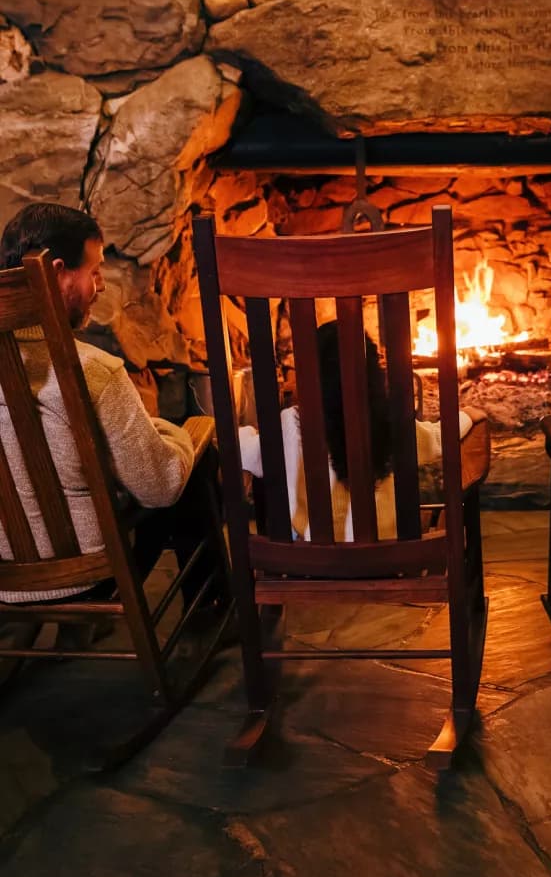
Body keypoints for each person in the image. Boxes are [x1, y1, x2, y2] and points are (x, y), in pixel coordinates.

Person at [0, 202, 227, 610]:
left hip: (4, 577)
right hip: (86, 576)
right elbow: (160, 487)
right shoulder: (92, 371)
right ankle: (212, 611)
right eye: (93, 271)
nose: (101, 286)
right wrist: (178, 431)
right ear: (55, 273)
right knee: (195, 460)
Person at [238, 319, 482, 541]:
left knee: (293, 522)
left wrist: (247, 432)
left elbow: (247, 453)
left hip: (313, 561)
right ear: (373, 373)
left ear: (308, 375)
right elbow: (439, 437)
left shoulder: (289, 423)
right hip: (388, 557)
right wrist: (467, 416)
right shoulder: (389, 421)